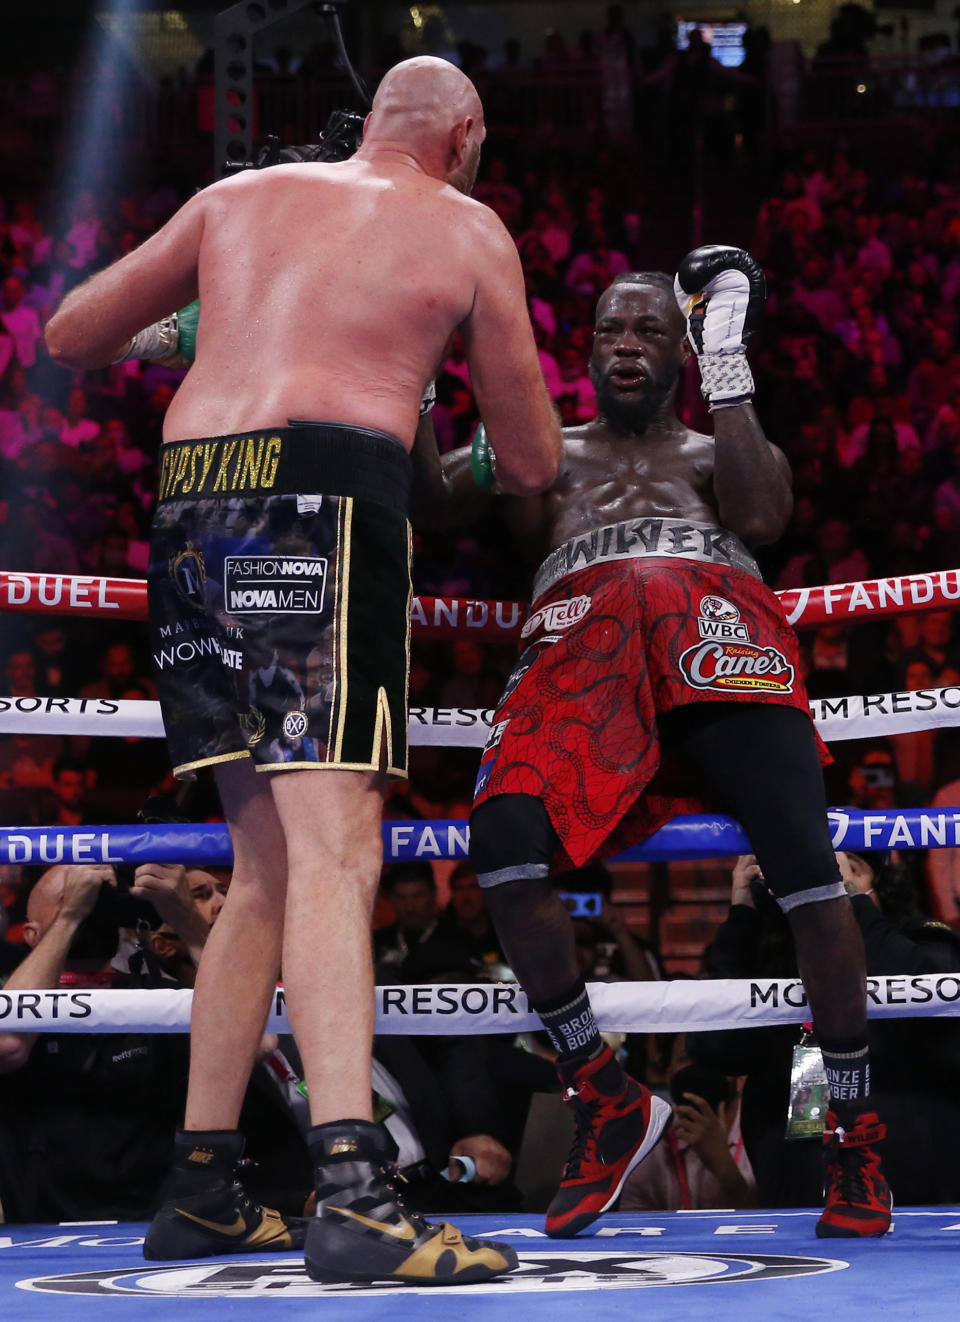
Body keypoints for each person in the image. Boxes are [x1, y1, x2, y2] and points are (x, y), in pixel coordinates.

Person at [44, 55, 561, 1286]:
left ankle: (203, 1186)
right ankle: (356, 1193)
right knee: (341, 844)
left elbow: (70, 332)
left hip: (187, 511)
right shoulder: (468, 225)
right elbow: (535, 457)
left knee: (267, 858)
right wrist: (424, 394)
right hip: (320, 503)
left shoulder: (244, 192)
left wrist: (229, 319)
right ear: (465, 135)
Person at [420, 249, 891, 1239]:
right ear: (585, 350)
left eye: (646, 330)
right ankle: (602, 1086)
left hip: (714, 611)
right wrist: (417, 364)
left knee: (810, 873)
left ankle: (853, 1129)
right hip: (579, 626)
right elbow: (431, 499)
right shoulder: (539, 443)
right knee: (502, 849)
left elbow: (764, 515)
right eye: (608, 331)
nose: (624, 344)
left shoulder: (715, 448)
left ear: (680, 346)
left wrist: (731, 373)